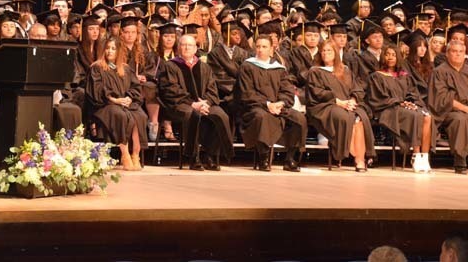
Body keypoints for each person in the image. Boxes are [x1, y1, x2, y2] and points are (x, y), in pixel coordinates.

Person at [159, 34, 233, 170]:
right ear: (179, 47)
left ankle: (210, 155)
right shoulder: (170, 66)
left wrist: (206, 103)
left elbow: (212, 89)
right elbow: (170, 89)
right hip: (180, 104)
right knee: (192, 114)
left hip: (204, 104)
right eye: (184, 44)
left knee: (221, 115)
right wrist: (193, 104)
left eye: (190, 45)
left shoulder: (204, 67)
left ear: (195, 49)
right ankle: (193, 157)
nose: (187, 47)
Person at [236, 35, 307, 172]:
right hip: (254, 107)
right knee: (262, 117)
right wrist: (268, 104)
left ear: (271, 50)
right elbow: (247, 93)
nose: (260, 50)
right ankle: (264, 157)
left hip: (278, 107)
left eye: (264, 47)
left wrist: (280, 103)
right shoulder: (247, 66)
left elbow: (287, 91)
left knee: (299, 118)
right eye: (258, 46)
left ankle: (290, 158)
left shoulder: (279, 69)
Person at [306, 39, 375, 171]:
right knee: (346, 118)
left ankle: (359, 158)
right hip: (324, 107)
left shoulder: (345, 70)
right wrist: (340, 102)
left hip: (348, 104)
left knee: (360, 117)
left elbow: (357, 89)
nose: (326, 53)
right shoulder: (315, 71)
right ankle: (357, 157)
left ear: (336, 53)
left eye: (329, 50)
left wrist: (353, 100)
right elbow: (317, 93)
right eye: (323, 51)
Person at [365, 44, 434, 172]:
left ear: (398, 57)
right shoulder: (376, 76)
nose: (390, 57)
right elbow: (377, 98)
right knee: (416, 115)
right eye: (387, 54)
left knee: (427, 116)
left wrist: (412, 103)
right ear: (382, 56)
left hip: (405, 107)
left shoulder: (404, 75)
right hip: (387, 109)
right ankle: (415, 155)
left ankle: (424, 157)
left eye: (393, 55)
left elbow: (413, 93)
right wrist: (399, 102)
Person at [86, 36, 147, 171]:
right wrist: (114, 100)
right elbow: (97, 90)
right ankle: (124, 153)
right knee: (120, 115)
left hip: (125, 103)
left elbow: (135, 87)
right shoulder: (97, 68)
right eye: (107, 48)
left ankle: (135, 154)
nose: (110, 51)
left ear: (119, 51)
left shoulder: (125, 68)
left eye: (113, 48)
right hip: (105, 105)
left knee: (140, 115)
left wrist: (129, 98)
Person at [428, 41, 468, 174]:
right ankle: (460, 160)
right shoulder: (439, 72)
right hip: (447, 111)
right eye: (454, 51)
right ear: (447, 53)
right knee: (460, 119)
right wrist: (465, 109)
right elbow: (443, 99)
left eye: (460, 52)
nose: (457, 54)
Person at [142, 22, 178, 142]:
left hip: (175, 89)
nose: (169, 39)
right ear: (160, 37)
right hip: (158, 86)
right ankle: (154, 122)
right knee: (150, 87)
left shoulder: (179, 56)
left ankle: (168, 125)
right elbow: (149, 72)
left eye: (172, 37)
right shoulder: (154, 55)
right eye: (166, 36)